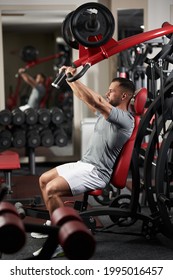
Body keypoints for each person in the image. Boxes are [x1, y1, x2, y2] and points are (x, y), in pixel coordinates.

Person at [32, 66, 135, 258]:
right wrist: (71, 78)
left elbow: (95, 100)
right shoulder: (107, 111)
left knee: (52, 189)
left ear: (124, 97)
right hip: (84, 163)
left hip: (97, 172)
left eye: (111, 90)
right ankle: (56, 220)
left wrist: (73, 76)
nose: (107, 93)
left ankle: (61, 239)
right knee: (43, 180)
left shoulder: (125, 119)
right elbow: (85, 97)